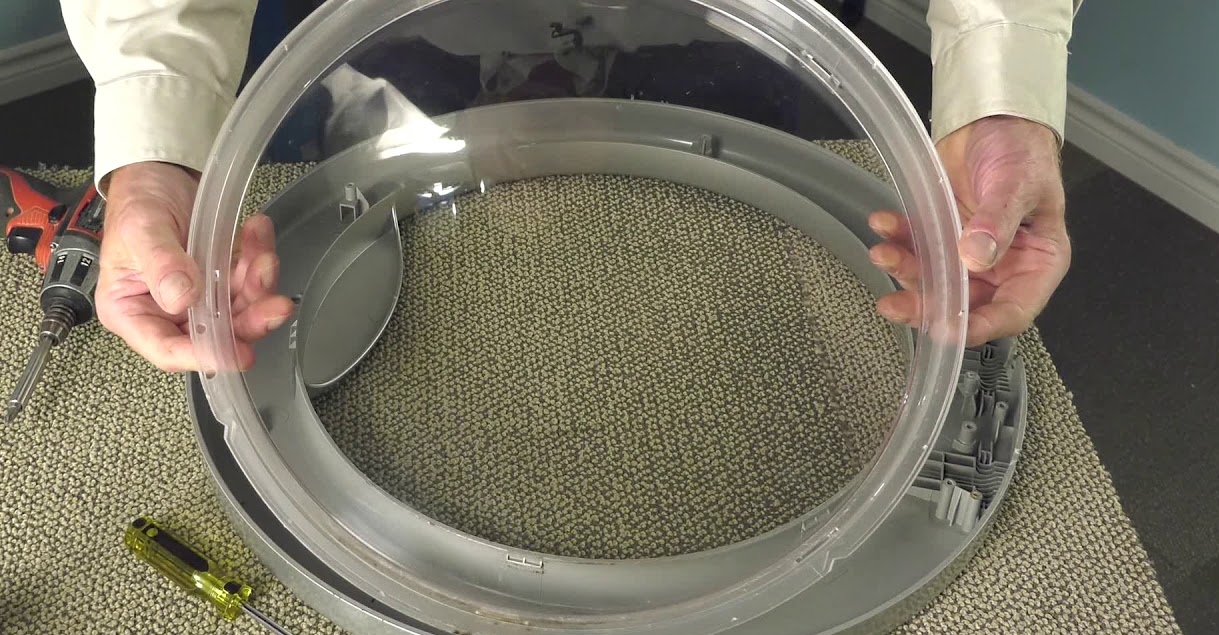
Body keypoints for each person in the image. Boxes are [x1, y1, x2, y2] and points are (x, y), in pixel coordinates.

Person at [57, 0, 1077, 372]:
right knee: (319, 239)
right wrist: (159, 143)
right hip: (362, 46)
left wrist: (1001, 87)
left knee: (754, 275)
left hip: (752, 33)